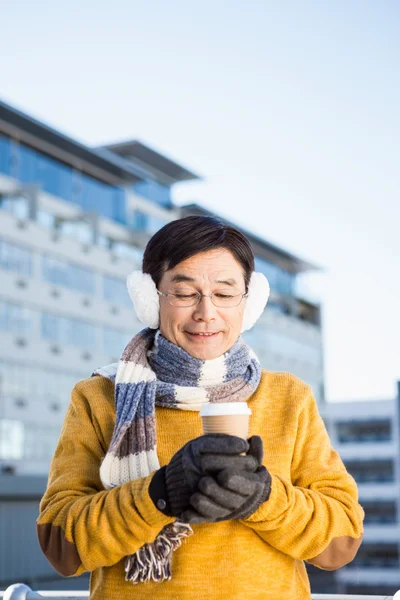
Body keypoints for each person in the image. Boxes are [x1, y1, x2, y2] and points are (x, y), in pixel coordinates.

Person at [37, 215, 364, 600]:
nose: (206, 312)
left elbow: (342, 540)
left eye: (224, 294)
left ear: (249, 303)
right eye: (184, 292)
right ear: (150, 298)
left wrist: (263, 497)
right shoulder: (98, 397)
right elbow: (61, 546)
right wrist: (159, 493)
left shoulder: (289, 397)